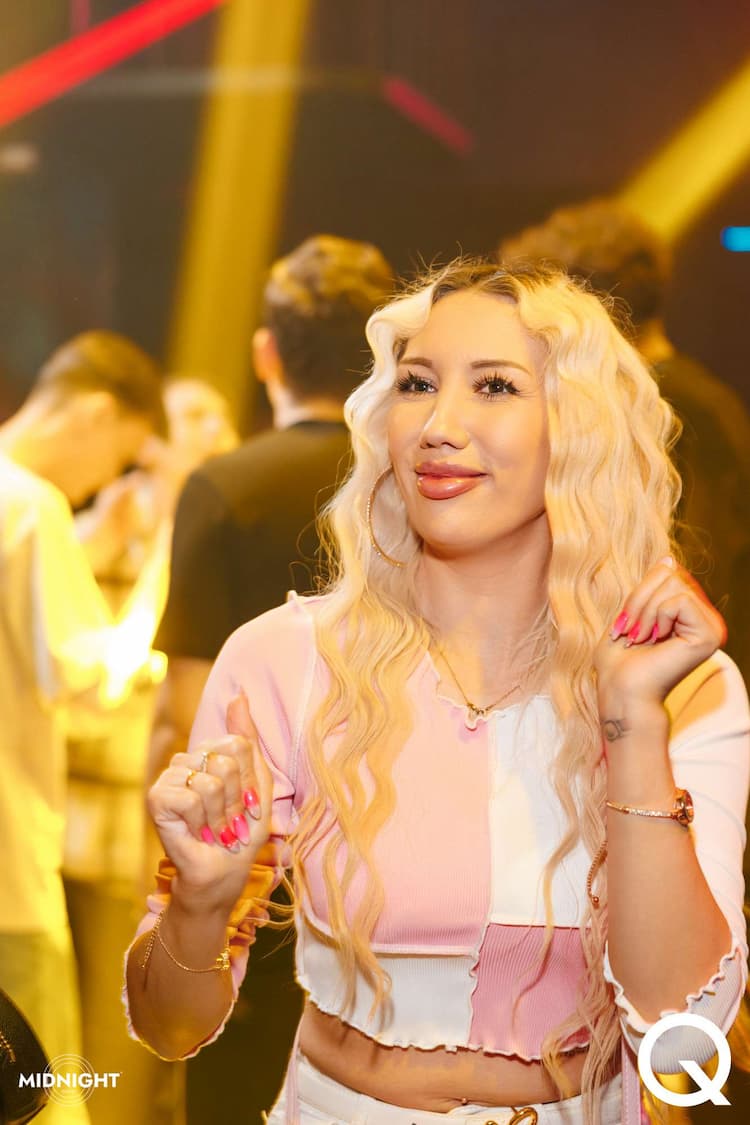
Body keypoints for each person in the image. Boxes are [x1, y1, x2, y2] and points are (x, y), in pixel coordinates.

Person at [125, 260, 749, 1125]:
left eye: (495, 386)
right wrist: (199, 903)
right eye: (417, 384)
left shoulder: (681, 684)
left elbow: (683, 1042)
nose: (438, 426)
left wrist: (632, 726)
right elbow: (171, 1027)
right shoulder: (286, 659)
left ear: (578, 428)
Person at [145, 234, 394, 1122]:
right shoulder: (408, 479)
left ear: (265, 353)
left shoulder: (223, 484)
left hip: (249, 857)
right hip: (380, 856)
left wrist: (170, 889)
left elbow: (186, 704)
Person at [0, 330, 166, 1125]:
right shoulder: (30, 507)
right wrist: (163, 570)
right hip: (8, 866)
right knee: (43, 1097)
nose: (107, 479)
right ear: (96, 414)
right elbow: (91, 673)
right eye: (120, 454)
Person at [498, 198, 750, 690]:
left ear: (592, 311)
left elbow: (702, 562)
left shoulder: (675, 404)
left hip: (687, 678)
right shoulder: (680, 395)